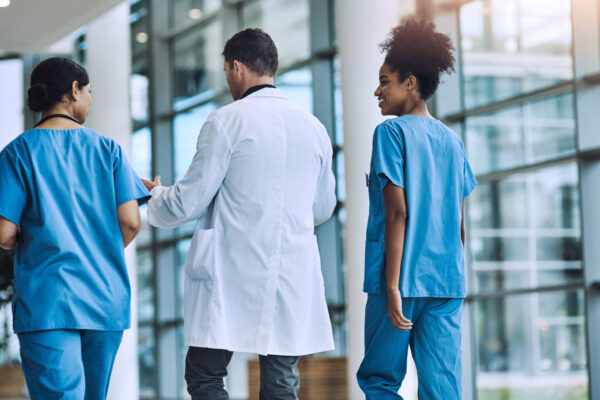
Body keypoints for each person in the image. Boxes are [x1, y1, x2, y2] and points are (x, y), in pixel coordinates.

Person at [142, 28, 336, 400]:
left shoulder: (226, 121)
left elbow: (187, 202)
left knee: (205, 375)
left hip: (231, 272)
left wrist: (155, 195)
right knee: (281, 384)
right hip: (289, 273)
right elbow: (323, 207)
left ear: (235, 68)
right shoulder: (314, 128)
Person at [0, 57, 150, 399]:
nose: (91, 100)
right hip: (104, 298)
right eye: (89, 91)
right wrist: (98, 247)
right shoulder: (108, 149)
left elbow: (5, 234)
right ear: (74, 90)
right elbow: (130, 221)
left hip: (47, 300)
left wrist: (41, 239)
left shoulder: (17, 153)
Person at [356, 18, 477, 399]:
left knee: (379, 381)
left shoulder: (390, 133)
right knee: (443, 389)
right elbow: (458, 225)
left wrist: (392, 285)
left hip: (400, 278)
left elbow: (398, 213)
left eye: (385, 81)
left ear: (410, 83)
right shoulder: (452, 141)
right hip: (445, 281)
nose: (377, 90)